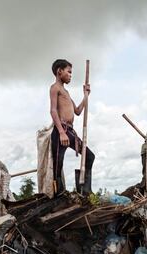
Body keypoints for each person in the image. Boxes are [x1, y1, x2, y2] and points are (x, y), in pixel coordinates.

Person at [49, 59, 95, 195]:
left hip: (70, 130)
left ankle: (84, 191)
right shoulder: (55, 88)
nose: (70, 75)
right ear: (59, 71)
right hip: (60, 131)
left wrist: (86, 95)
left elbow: (78, 111)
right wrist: (61, 132)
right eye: (68, 72)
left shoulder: (67, 93)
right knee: (58, 165)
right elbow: (53, 110)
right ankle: (59, 195)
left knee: (89, 156)